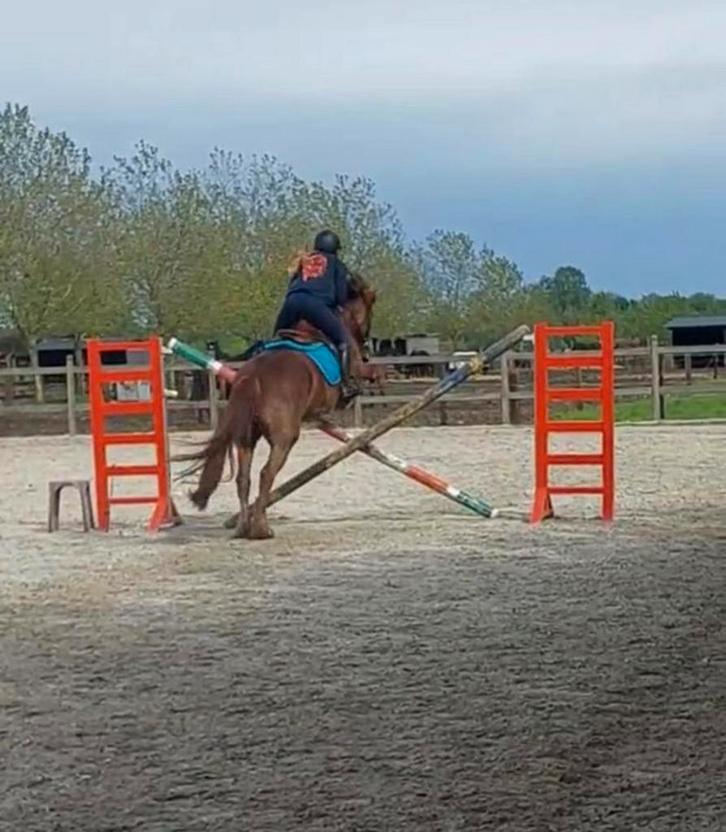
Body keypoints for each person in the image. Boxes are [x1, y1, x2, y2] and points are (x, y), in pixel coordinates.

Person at [273, 229, 359, 401]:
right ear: (335, 248)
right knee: (343, 342)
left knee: (275, 339)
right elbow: (341, 296)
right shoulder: (337, 264)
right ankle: (346, 386)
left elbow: (292, 284)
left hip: (292, 302)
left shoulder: (304, 261)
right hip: (315, 305)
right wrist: (337, 306)